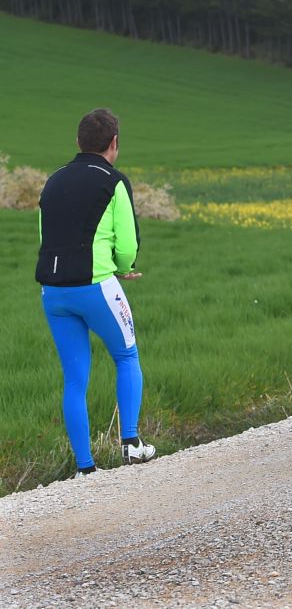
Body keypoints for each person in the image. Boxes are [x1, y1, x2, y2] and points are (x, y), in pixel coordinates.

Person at [36, 108, 155, 477]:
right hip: (96, 285)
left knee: (74, 379)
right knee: (126, 355)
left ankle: (85, 468)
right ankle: (131, 445)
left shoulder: (53, 180)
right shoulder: (113, 180)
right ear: (114, 143)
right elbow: (128, 243)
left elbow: (46, 235)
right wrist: (120, 267)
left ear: (78, 142)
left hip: (53, 292)